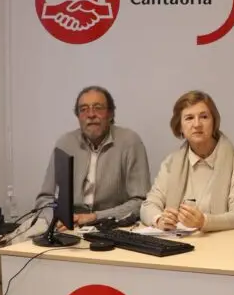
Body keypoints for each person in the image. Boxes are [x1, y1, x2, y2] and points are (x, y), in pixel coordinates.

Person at [32, 86, 150, 233]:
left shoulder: (130, 142)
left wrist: (94, 217)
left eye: (98, 108)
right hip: (65, 227)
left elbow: (140, 202)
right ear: (78, 117)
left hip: (110, 226)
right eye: (84, 109)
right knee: (17, 241)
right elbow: (44, 199)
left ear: (111, 114)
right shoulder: (65, 143)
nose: (91, 114)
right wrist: (57, 219)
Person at [140, 91, 234, 232]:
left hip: (221, 242)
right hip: (178, 241)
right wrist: (159, 219)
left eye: (204, 117)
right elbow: (148, 205)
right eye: (189, 118)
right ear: (180, 126)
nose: (197, 124)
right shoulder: (171, 162)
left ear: (214, 122)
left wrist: (204, 222)